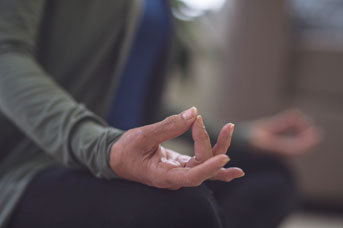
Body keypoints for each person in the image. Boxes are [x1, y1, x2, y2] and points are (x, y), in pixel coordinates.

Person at [0, 0, 320, 227]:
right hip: (34, 164)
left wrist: (245, 136)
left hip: (118, 152)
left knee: (270, 179)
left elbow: (141, 105)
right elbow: (5, 56)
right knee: (183, 209)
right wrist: (103, 146)